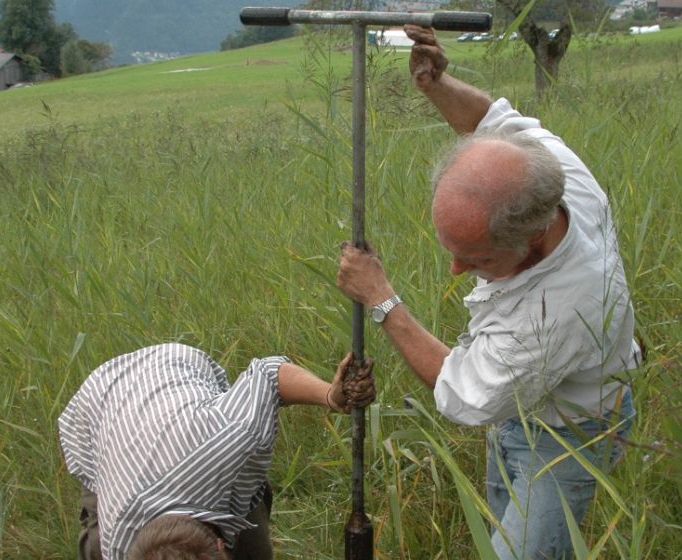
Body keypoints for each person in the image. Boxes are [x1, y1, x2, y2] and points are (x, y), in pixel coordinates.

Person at [335, 25, 640, 559]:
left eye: (476, 260)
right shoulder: (546, 170)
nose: (455, 270)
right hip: (520, 412)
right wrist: (438, 84)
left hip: (570, 434)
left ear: (534, 234)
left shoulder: (560, 307)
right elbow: (491, 123)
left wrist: (381, 300)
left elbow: (466, 391)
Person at [58, 343, 375, 560]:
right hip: (98, 415)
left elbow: (270, 375)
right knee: (95, 543)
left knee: (252, 536)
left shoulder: (230, 439)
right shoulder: (116, 544)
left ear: (222, 546)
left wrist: (332, 397)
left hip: (173, 370)